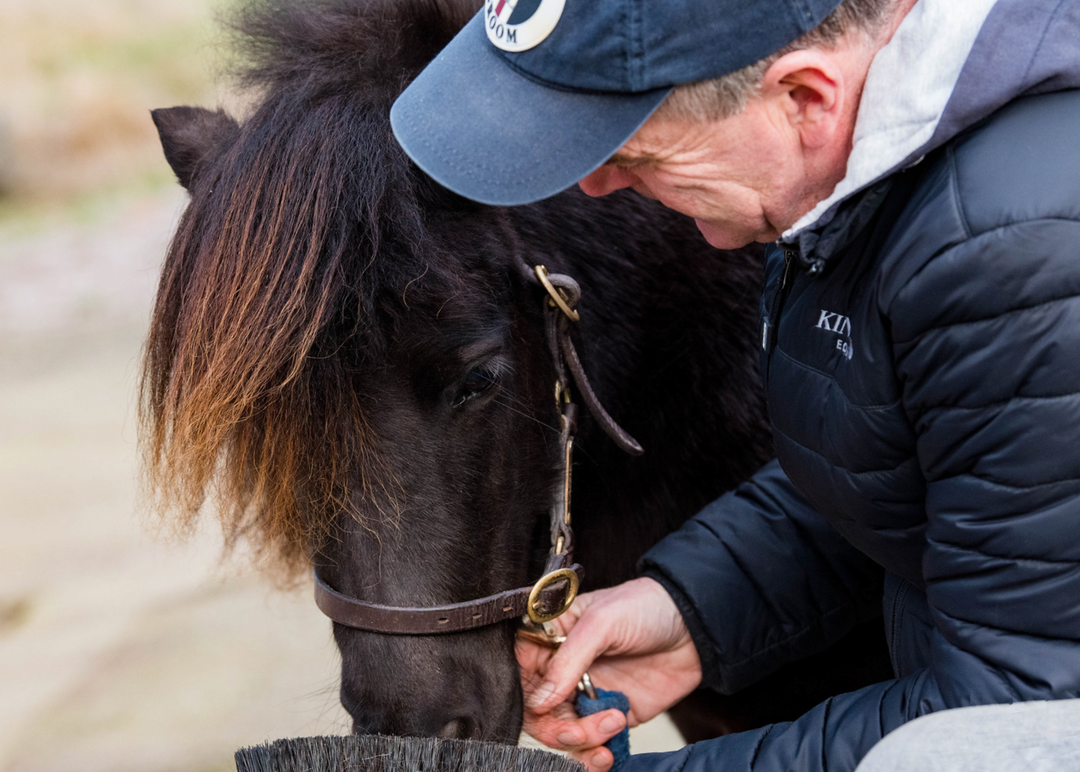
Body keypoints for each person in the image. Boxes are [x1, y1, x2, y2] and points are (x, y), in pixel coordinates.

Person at [389, 0, 1080, 770]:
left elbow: (1013, 722)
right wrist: (690, 614)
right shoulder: (863, 170)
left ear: (804, 100)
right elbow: (939, 475)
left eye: (635, 154)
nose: (595, 183)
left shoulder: (1018, 250)